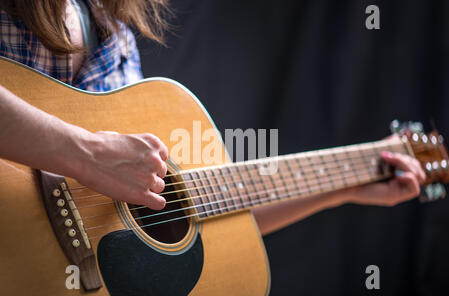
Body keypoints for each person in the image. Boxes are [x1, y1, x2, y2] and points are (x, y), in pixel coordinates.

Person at [0, 0, 426, 236]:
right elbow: (92, 162)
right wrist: (86, 155)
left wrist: (345, 185)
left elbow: (193, 212)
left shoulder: (114, 32)